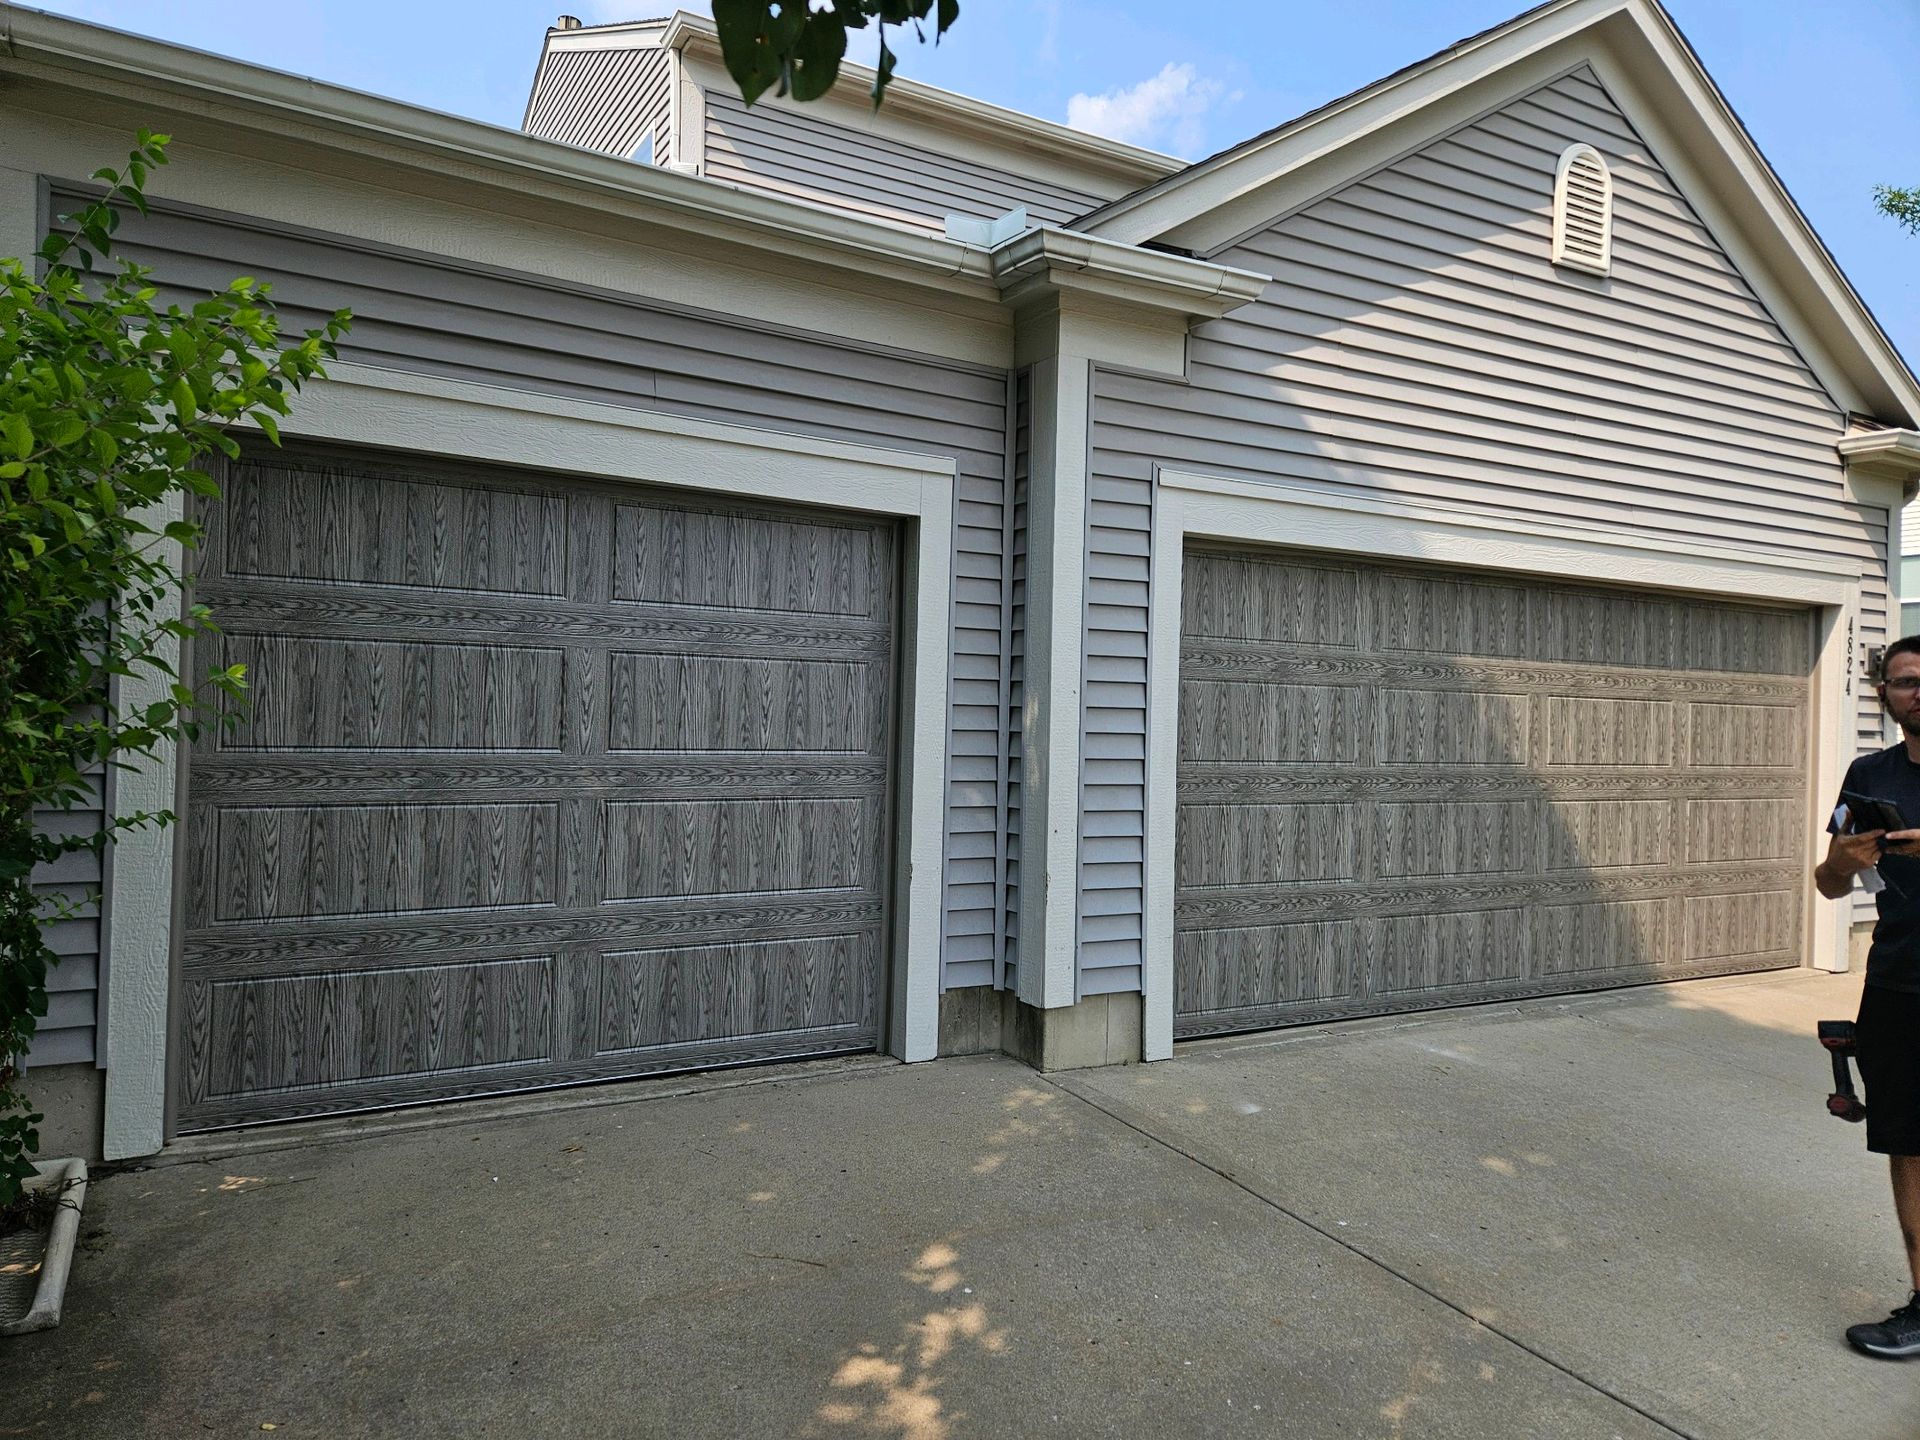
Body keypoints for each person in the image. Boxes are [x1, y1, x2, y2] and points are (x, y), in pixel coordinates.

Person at [1816, 635, 1920, 1358]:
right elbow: (1827, 883)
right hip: (1898, 985)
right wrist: (1841, 862)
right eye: (1908, 680)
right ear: (1885, 693)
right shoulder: (1869, 772)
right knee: (1909, 1148)